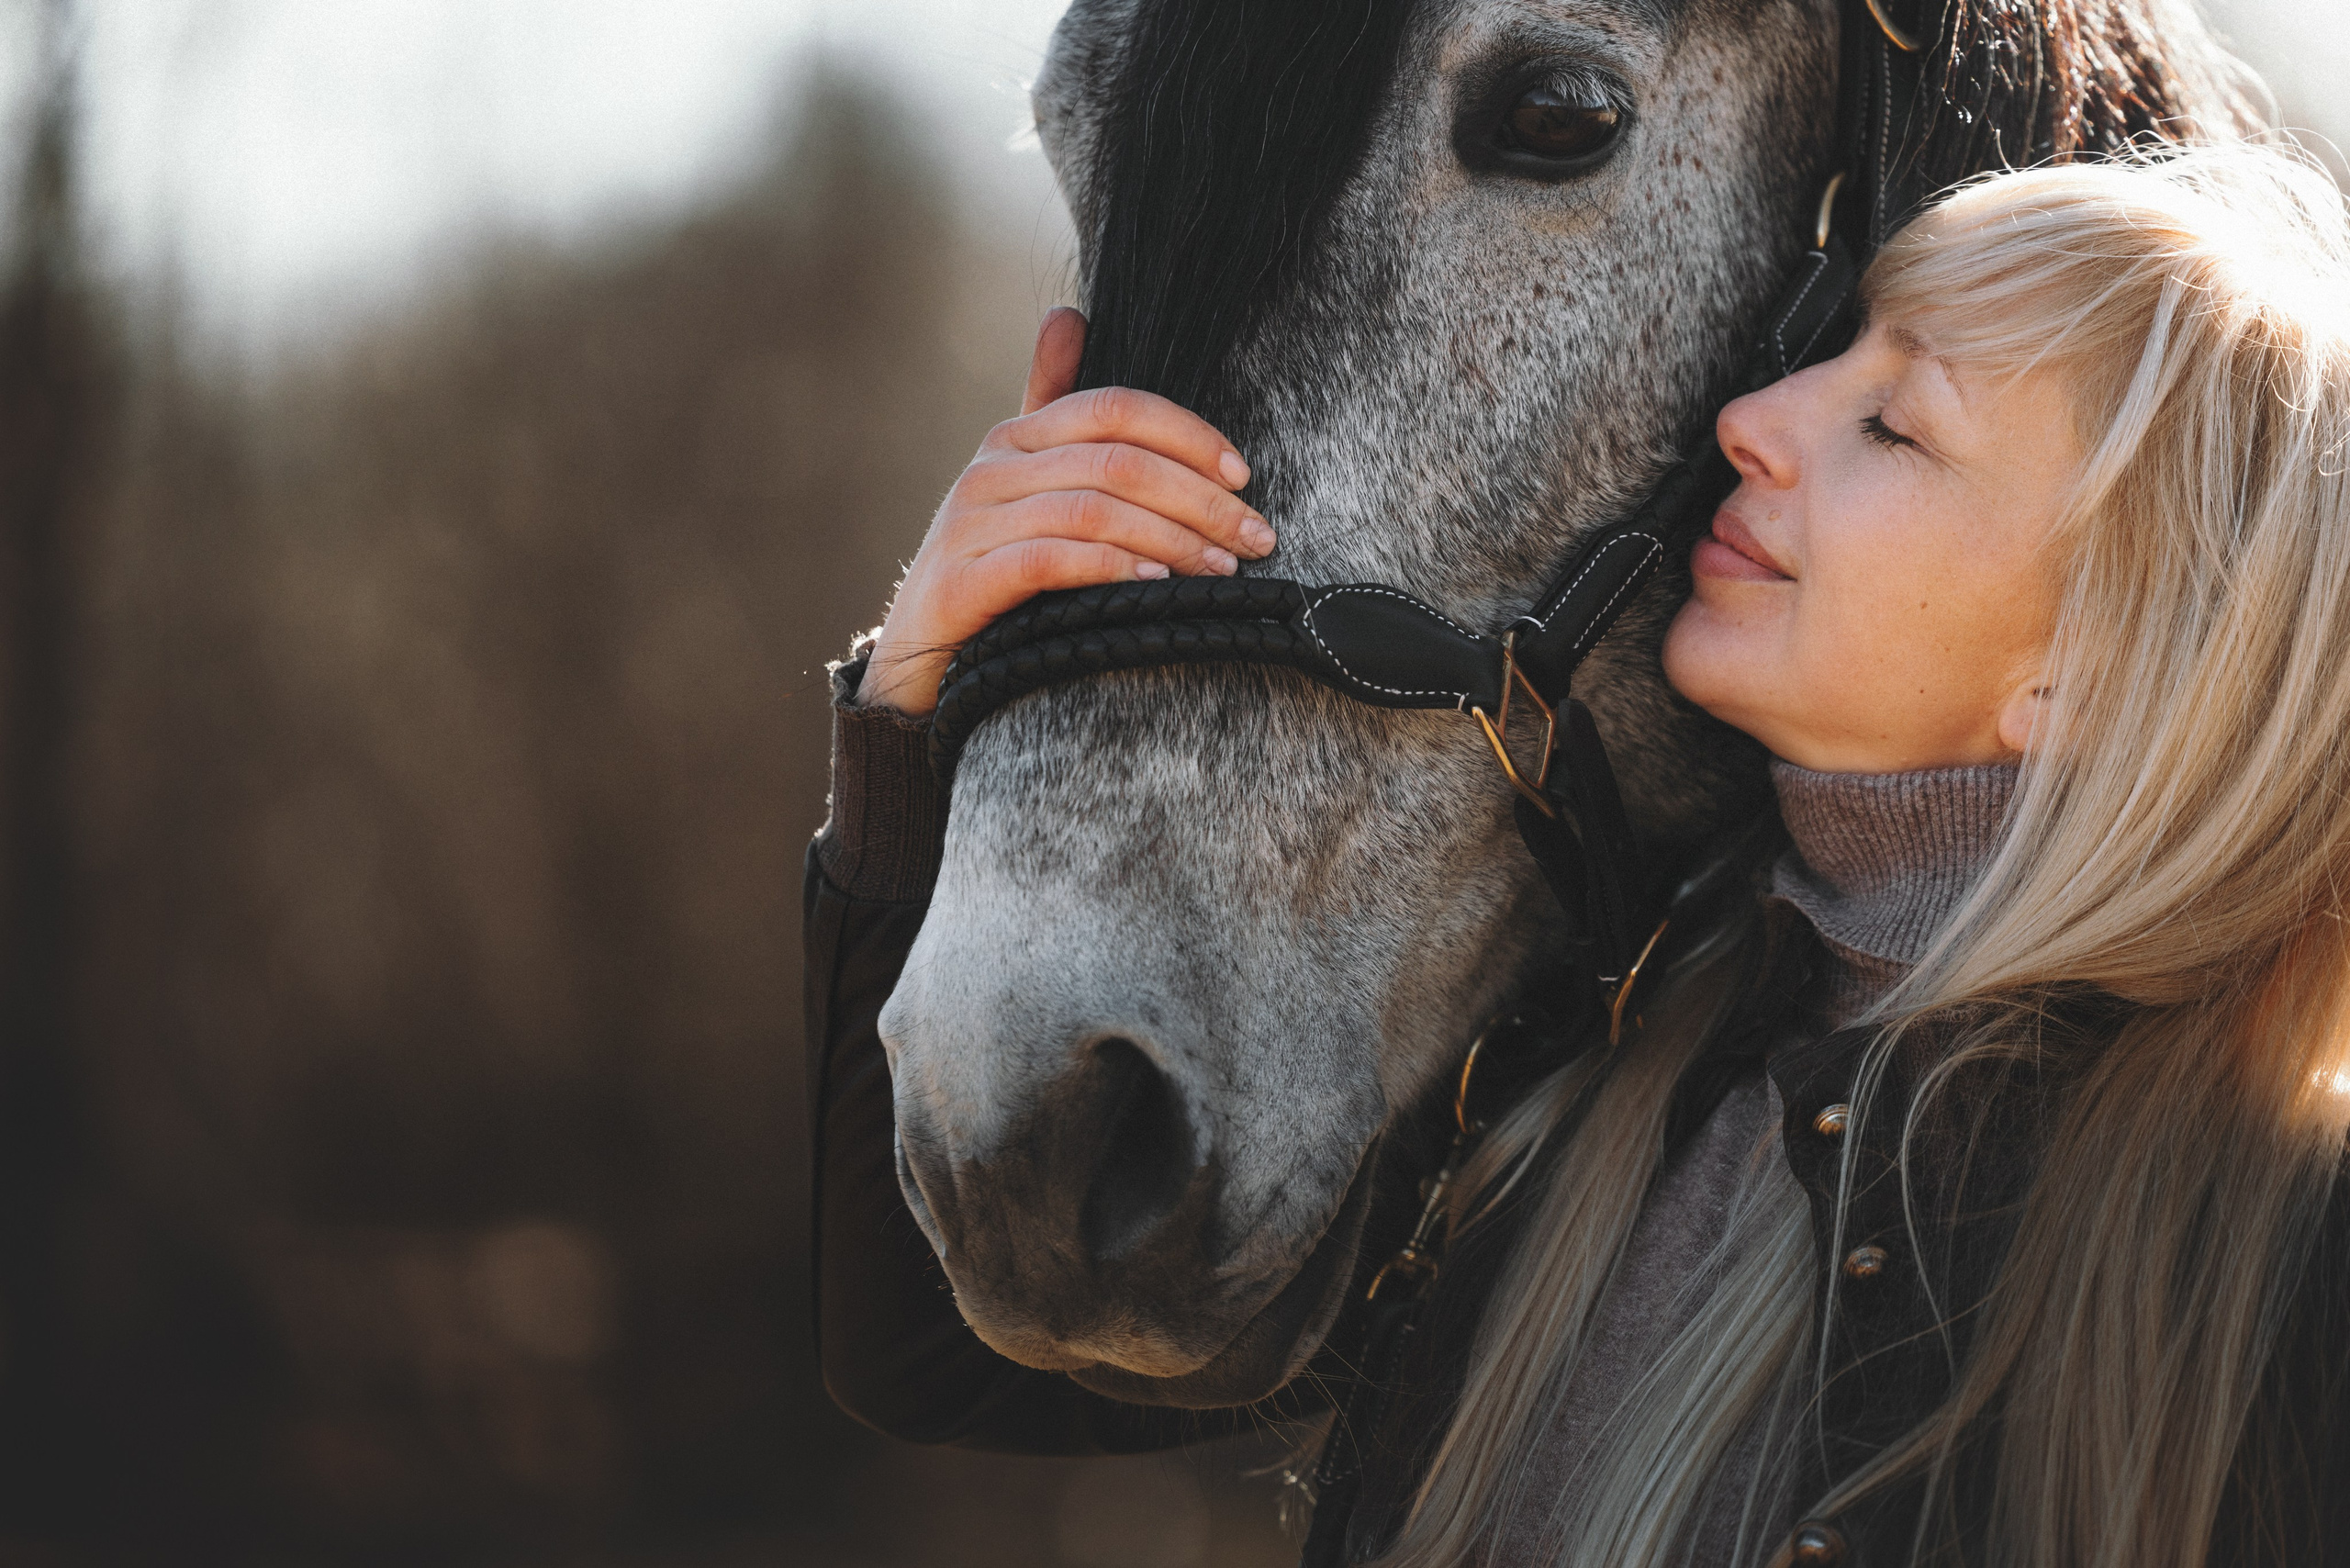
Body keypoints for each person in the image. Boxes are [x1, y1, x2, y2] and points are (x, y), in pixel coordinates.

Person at [805, 145, 2350, 1566]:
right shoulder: (1579, 1047)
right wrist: (918, 704)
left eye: (1893, 422)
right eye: (1837, 355)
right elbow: (940, 1347)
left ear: (2083, 667)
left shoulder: (2286, 1264)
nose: (1754, 418)